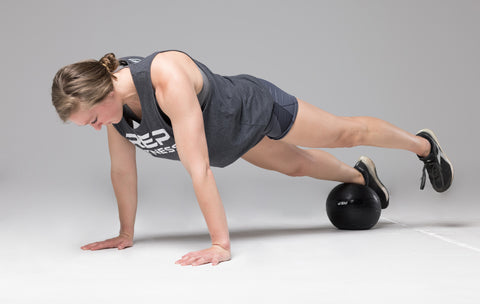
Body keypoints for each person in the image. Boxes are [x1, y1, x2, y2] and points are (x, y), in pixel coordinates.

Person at [51, 50, 453, 266]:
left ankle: (423, 146)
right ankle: (364, 178)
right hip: (229, 140)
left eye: (91, 119)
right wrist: (125, 233)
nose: (94, 128)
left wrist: (220, 245)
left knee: (344, 132)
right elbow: (122, 171)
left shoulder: (164, 77)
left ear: (103, 94)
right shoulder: (117, 115)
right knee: (300, 166)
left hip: (254, 109)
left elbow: (198, 166)